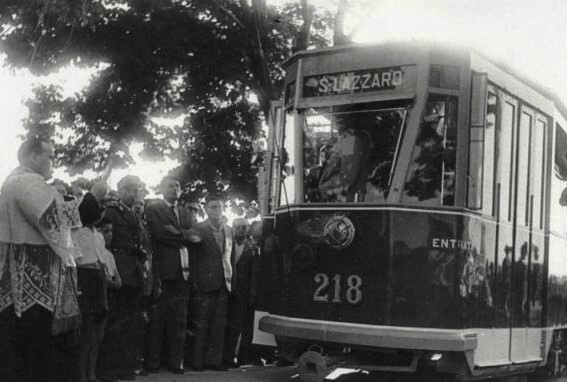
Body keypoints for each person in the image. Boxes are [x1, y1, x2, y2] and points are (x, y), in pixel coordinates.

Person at [0, 137, 82, 382]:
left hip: (27, 280)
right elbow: (52, 217)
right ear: (32, 156)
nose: (52, 163)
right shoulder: (26, 181)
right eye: (50, 156)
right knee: (37, 354)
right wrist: (89, 201)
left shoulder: (16, 182)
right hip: (32, 284)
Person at [145, 176, 198, 374]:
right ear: (161, 189)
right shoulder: (154, 209)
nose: (174, 189)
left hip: (183, 273)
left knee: (179, 320)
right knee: (158, 319)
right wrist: (183, 236)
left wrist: (176, 233)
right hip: (163, 270)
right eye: (170, 186)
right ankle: (153, 362)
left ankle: (176, 362)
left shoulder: (185, 212)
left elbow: (195, 237)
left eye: (177, 186)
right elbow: (159, 234)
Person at [102, 175, 147, 381]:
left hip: (135, 271)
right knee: (116, 322)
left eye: (136, 189)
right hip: (119, 268)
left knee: (130, 324)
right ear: (119, 190)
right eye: (128, 189)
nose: (132, 193)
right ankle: (108, 369)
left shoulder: (136, 215)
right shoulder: (111, 211)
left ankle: (124, 367)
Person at [191, 195, 234, 371]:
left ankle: (214, 361)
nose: (217, 210)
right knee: (201, 323)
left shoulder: (228, 230)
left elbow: (228, 256)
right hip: (204, 281)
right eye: (213, 207)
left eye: (219, 207)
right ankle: (197, 361)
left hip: (224, 281)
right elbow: (192, 257)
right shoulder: (198, 228)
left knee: (219, 324)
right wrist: (194, 280)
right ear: (206, 209)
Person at [73, 193, 109, 382]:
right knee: (86, 331)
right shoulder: (77, 233)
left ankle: (92, 374)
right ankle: (82, 375)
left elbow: (102, 260)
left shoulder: (99, 235)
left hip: (99, 279)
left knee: (97, 331)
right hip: (85, 278)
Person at [224, 218, 259, 368]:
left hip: (243, 292)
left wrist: (252, 293)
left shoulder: (252, 249)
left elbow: (254, 274)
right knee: (227, 325)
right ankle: (225, 356)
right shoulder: (227, 245)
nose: (241, 230)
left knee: (240, 326)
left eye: (244, 227)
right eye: (237, 227)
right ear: (233, 228)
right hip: (227, 289)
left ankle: (239, 357)